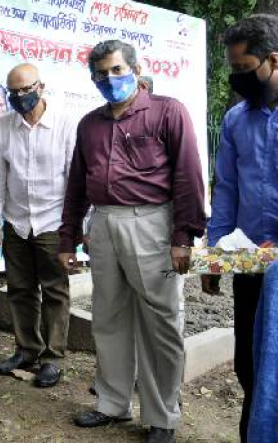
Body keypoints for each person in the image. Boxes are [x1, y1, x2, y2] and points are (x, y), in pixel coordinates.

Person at [58, 39, 205, 443]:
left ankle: (162, 416)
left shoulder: (167, 112)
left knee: (161, 323)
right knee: (109, 318)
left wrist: (183, 236)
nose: (109, 80)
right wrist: (67, 238)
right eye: (101, 74)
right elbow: (76, 186)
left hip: (153, 224)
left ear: (137, 70)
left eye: (117, 70)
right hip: (104, 224)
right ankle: (112, 402)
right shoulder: (90, 124)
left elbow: (188, 176)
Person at [0, 63, 77, 388]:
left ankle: (52, 358)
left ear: (41, 87)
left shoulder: (65, 125)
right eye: (14, 91)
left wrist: (73, 226)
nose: (21, 96)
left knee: (54, 290)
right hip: (17, 221)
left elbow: (74, 178)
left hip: (53, 222)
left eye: (27, 89)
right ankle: (27, 350)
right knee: (21, 289)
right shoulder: (3, 128)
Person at [208, 14, 278, 443]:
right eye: (232, 68)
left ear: (273, 60)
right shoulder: (236, 120)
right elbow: (227, 190)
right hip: (252, 262)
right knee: (249, 366)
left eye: (242, 68)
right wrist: (216, 255)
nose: (236, 77)